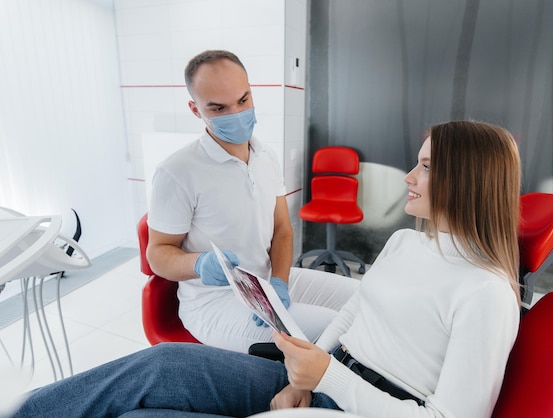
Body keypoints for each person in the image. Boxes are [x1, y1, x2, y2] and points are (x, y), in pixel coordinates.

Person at [13, 120, 522, 418]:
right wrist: (306, 376)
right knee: (162, 364)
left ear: (466, 179)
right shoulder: (407, 242)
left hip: (364, 404)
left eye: (427, 167)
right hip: (326, 377)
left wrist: (329, 380)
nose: (409, 176)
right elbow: (356, 313)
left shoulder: (486, 294)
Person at [146, 50, 359, 352]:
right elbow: (157, 254)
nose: (236, 114)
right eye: (219, 108)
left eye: (243, 100)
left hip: (268, 282)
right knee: (340, 330)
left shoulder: (266, 157)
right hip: (215, 302)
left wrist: (280, 282)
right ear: (196, 110)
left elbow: (283, 230)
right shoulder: (177, 171)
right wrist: (198, 263)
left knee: (363, 299)